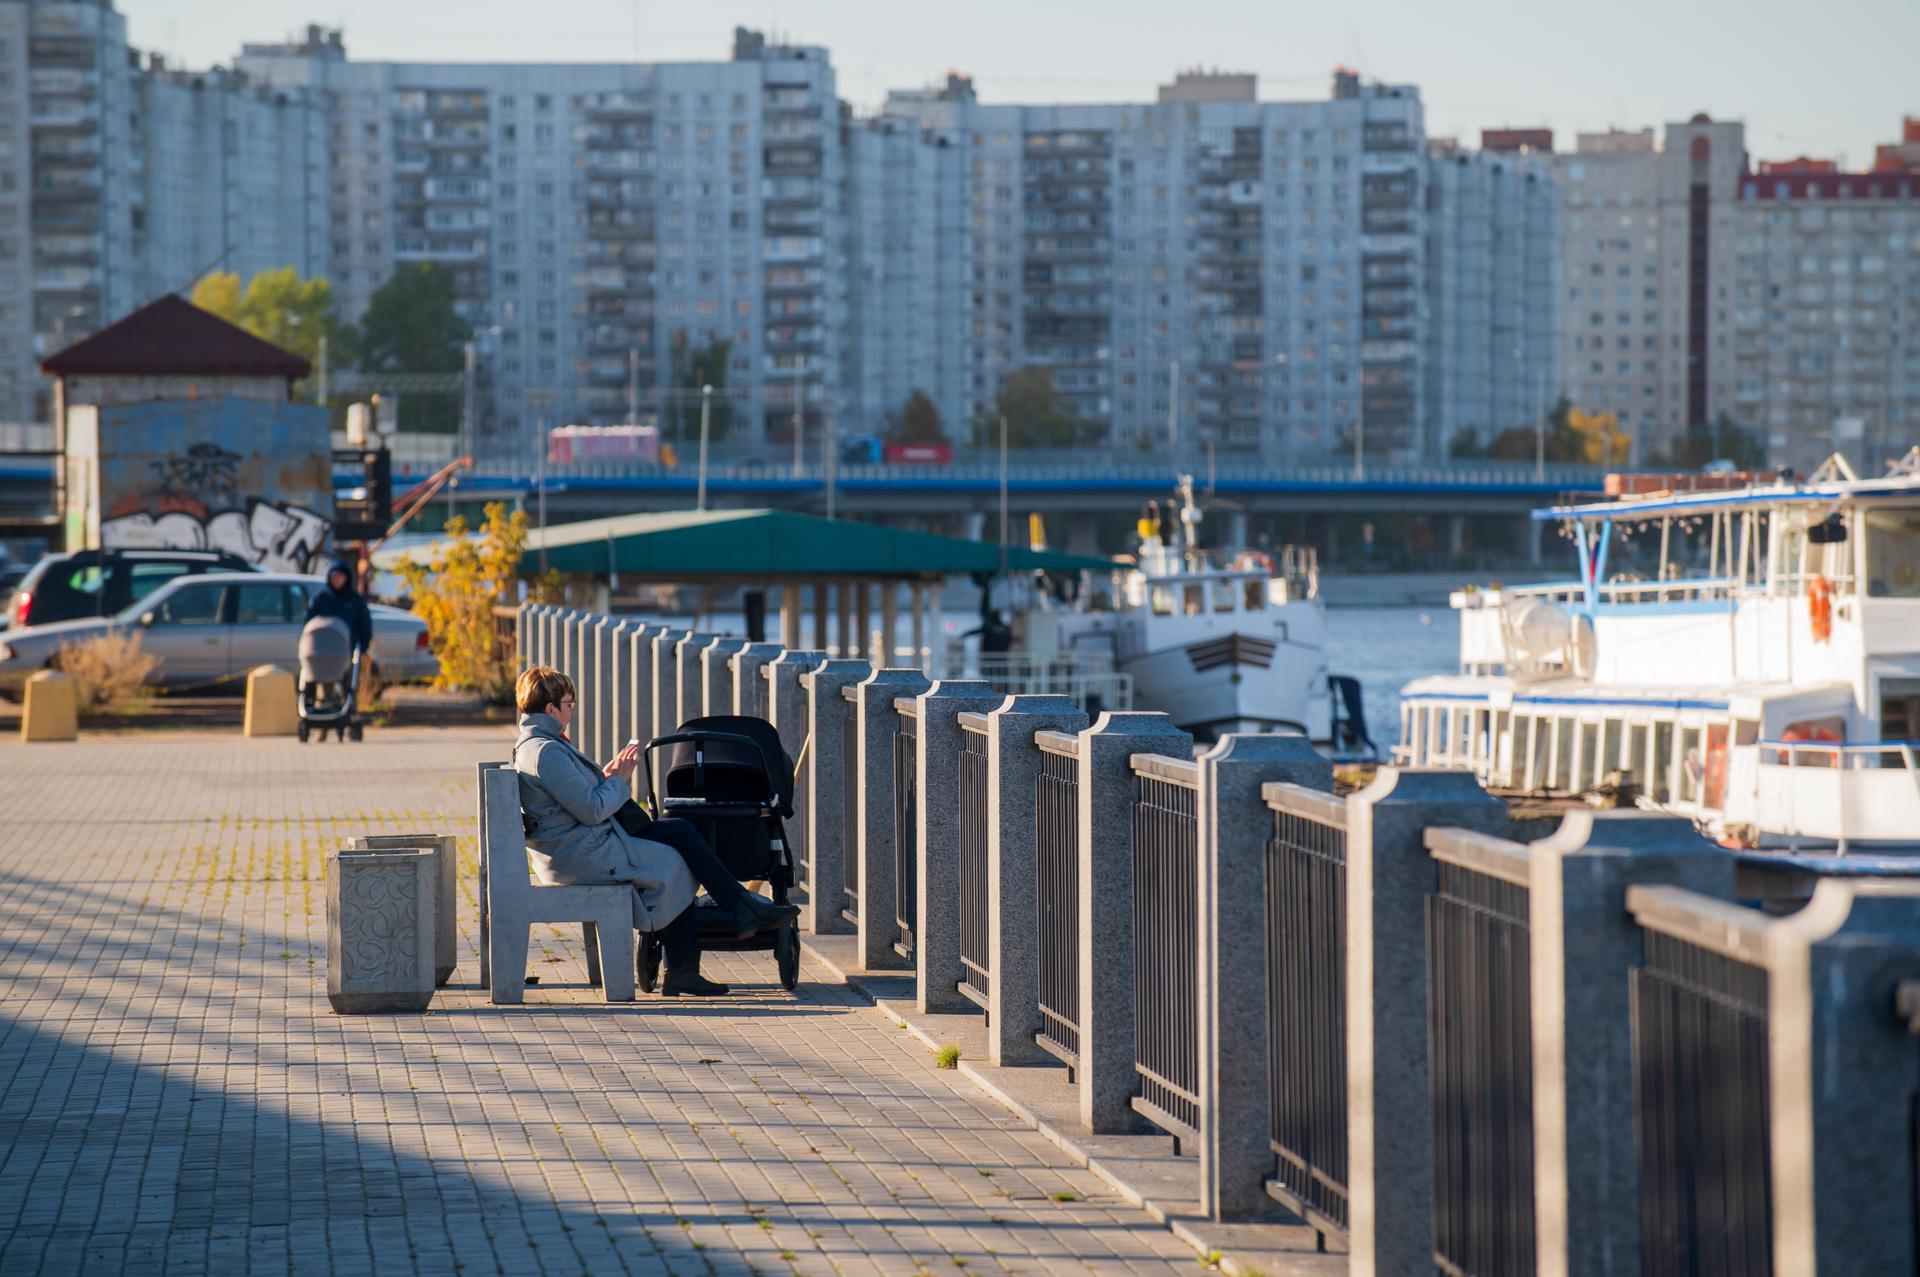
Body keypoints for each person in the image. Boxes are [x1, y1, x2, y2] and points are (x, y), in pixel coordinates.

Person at [511, 665, 797, 996]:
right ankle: (698, 951)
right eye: (569, 704)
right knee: (676, 856)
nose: (572, 711)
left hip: (580, 844)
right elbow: (591, 810)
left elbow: (575, 799)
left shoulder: (539, 745)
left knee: (680, 833)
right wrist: (619, 780)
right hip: (583, 852)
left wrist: (605, 777)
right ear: (550, 709)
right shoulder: (546, 752)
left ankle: (710, 939)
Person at [306, 559, 374, 652]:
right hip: (323, 650)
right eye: (334, 576)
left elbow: (365, 625)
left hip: (348, 649)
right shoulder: (321, 599)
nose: (336, 579)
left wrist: (363, 646)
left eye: (339, 576)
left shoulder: (355, 600)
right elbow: (309, 622)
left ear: (346, 577)